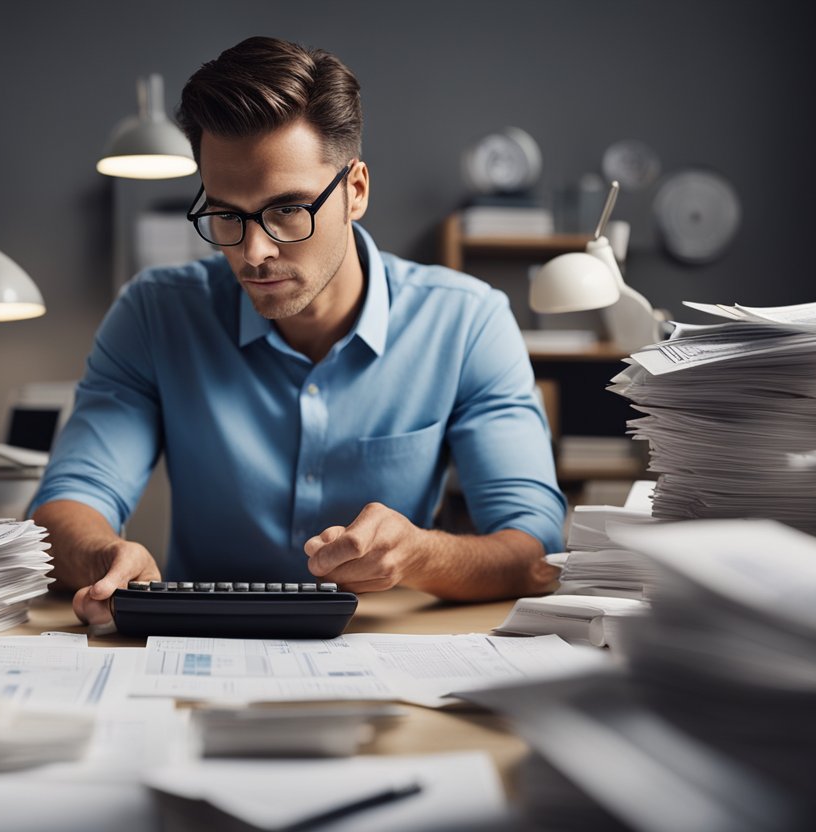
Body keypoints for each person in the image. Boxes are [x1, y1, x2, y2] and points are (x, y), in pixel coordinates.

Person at [29, 36, 566, 626]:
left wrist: (419, 554)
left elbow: (538, 551)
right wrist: (105, 554)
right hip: (196, 652)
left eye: (287, 209)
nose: (254, 253)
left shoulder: (467, 322)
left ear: (355, 191)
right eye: (227, 215)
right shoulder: (153, 314)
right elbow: (64, 506)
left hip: (383, 651)